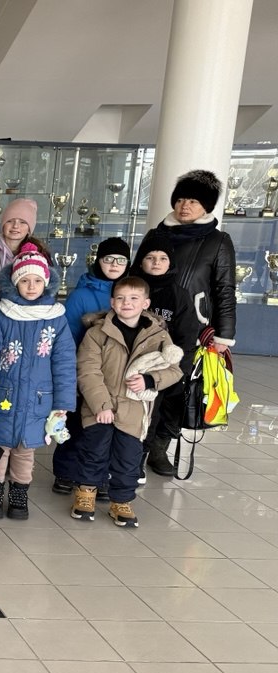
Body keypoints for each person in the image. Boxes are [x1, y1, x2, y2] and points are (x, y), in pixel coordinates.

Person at [135, 169, 237, 476]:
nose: (185, 206)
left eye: (193, 201)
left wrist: (224, 335)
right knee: (143, 387)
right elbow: (134, 275)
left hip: (191, 330)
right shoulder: (157, 234)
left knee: (176, 391)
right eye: (180, 199)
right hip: (146, 326)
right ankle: (135, 449)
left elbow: (224, 290)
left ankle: (159, 448)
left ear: (206, 206)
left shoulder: (218, 241)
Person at [67, 276, 183, 528]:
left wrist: (150, 380)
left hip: (134, 410)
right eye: (120, 298)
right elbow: (88, 371)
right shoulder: (97, 333)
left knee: (128, 458)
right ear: (112, 302)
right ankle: (86, 493)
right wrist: (101, 405)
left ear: (146, 303)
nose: (126, 303)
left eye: (133, 298)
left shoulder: (158, 336)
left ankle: (121, 500)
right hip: (99, 408)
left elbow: (174, 370)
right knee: (93, 452)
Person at [0, 250, 76, 520]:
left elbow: (65, 363)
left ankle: (19, 494)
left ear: (46, 283)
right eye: (24, 281)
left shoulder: (56, 317)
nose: (31, 286)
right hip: (3, 395)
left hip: (38, 399)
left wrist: (62, 403)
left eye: (37, 281)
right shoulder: (3, 314)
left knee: (25, 452)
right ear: (14, 283)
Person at [52, 236, 131, 496]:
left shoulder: (131, 291)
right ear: (98, 261)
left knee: (109, 427)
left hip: (117, 374)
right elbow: (68, 337)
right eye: (109, 259)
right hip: (86, 371)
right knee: (76, 425)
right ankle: (66, 472)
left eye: (121, 260)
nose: (114, 264)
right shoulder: (82, 294)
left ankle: (101, 476)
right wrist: (72, 373)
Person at [130, 235, 199, 476]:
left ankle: (157, 451)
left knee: (168, 410)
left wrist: (179, 370)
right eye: (150, 257)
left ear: (171, 263)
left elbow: (187, 336)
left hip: (168, 366)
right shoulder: (130, 288)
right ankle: (135, 456)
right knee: (141, 413)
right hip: (136, 365)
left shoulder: (179, 295)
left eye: (162, 258)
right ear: (141, 261)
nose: (156, 263)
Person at [0, 197, 38, 268]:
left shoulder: (38, 253)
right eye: (10, 221)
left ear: (29, 229)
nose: (15, 226)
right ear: (3, 225)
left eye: (22, 222)